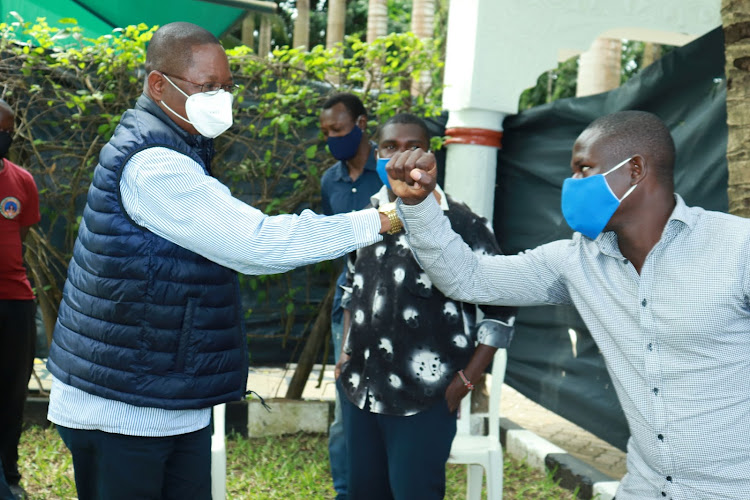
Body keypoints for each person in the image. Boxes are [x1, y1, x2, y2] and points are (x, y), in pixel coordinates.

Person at [46, 22, 395, 500]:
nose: (221, 99)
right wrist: (379, 221)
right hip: (123, 406)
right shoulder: (154, 165)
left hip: (163, 394)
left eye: (226, 87)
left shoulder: (177, 144)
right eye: (207, 87)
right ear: (158, 85)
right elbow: (256, 244)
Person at [387, 110, 750, 500]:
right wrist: (418, 205)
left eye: (583, 169)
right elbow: (467, 277)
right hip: (646, 488)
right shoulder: (575, 262)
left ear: (635, 170)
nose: (571, 184)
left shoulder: (737, 248)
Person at [336, 113, 516, 500]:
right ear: (376, 153)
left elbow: (502, 309)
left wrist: (466, 380)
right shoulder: (365, 220)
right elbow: (350, 288)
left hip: (426, 398)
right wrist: (344, 354)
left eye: (413, 147)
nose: (401, 157)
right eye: (390, 148)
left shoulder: (464, 224)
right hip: (361, 390)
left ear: (431, 156)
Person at [318, 93, 382, 500]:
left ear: (361, 124)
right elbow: (332, 241)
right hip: (350, 308)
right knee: (347, 408)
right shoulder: (330, 182)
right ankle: (347, 492)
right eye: (326, 133)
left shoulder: (393, 174)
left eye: (338, 130)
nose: (332, 139)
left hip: (397, 307)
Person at [0, 99, 40, 500]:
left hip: (14, 300)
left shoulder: (23, 181)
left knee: (12, 392)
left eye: (7, 130)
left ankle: (10, 475)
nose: (3, 136)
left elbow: (21, 238)